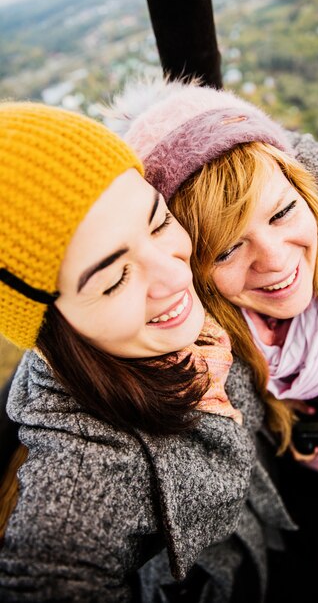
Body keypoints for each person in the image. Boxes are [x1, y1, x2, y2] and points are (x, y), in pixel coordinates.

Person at [106, 78, 318, 599]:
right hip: (302, 470)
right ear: (190, 266)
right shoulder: (203, 325)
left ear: (306, 190)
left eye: (282, 213)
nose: (274, 262)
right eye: (227, 250)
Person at [0, 102, 299, 602]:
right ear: (49, 327)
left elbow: (235, 144)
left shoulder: (167, 297)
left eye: (159, 222)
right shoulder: (85, 466)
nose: (175, 274)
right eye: (115, 278)